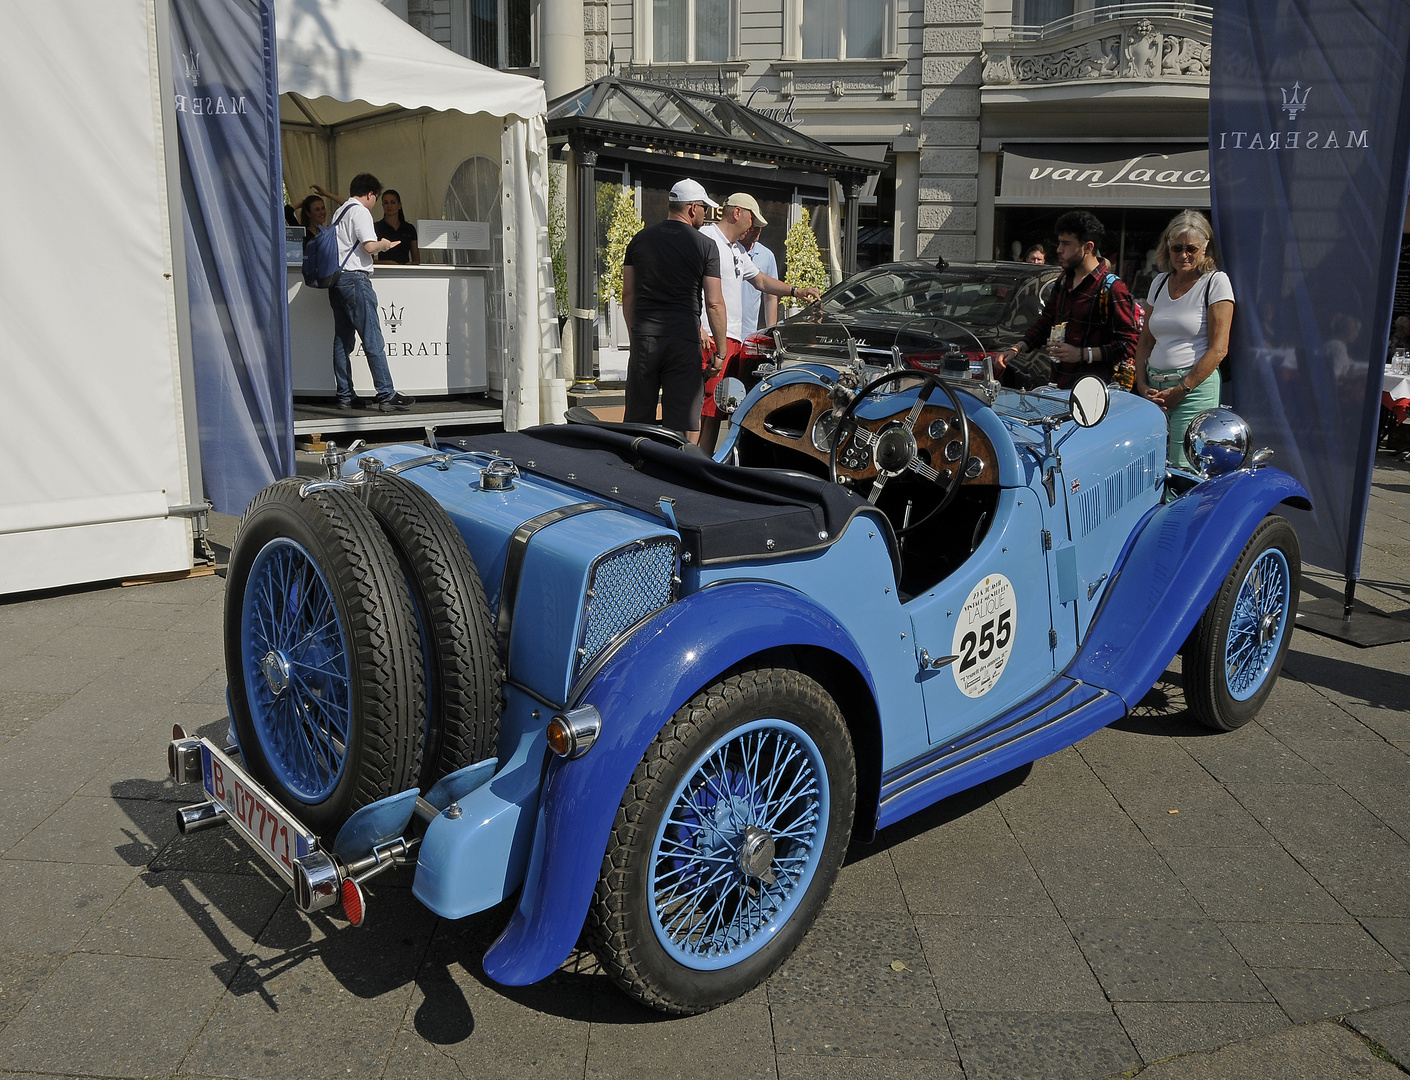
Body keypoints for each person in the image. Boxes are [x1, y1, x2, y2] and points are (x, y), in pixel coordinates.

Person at [698, 192, 821, 450]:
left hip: (731, 340)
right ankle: (687, 463)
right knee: (701, 409)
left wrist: (796, 291)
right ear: (737, 213)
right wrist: (698, 325)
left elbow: (761, 281)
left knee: (717, 409)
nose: (753, 229)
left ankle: (702, 463)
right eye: (752, 220)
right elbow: (691, 287)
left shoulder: (736, 250)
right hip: (710, 337)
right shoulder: (707, 239)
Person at [621, 178, 728, 442]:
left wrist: (636, 337)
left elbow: (629, 294)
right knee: (679, 424)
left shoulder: (640, 240)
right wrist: (721, 352)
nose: (706, 213)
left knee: (637, 419)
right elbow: (714, 303)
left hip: (646, 335)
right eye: (704, 207)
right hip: (683, 339)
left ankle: (633, 472)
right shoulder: (705, 246)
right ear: (692, 209)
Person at [1132, 210, 1234, 470]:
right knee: (1147, 466)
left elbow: (1219, 349)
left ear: (1205, 247)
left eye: (1191, 248)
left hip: (1193, 391)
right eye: (1177, 248)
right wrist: (1141, 383)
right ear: (1168, 247)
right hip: (1153, 388)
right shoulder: (1158, 282)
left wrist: (1181, 390)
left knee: (1182, 469)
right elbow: (1145, 341)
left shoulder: (1215, 282)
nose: (1184, 255)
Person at [997, 210, 1140, 389]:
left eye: (1066, 243)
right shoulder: (1064, 280)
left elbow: (1129, 344)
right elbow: (1046, 321)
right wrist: (1017, 348)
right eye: (1059, 242)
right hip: (1059, 384)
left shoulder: (1112, 287)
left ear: (1088, 247)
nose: (1059, 249)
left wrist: (1083, 354)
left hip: (1094, 392)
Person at [327, 173, 414, 412]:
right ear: (370, 194)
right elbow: (369, 246)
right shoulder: (360, 211)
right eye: (376, 197)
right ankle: (386, 393)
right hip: (356, 279)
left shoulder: (340, 211)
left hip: (337, 280)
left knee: (342, 340)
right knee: (372, 336)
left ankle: (345, 394)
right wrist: (384, 245)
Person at [740, 222, 779, 338]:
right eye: (753, 227)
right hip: (723, 330)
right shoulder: (729, 249)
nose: (757, 230)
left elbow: (771, 296)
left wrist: (770, 333)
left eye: (760, 227)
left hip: (748, 333)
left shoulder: (766, 255)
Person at [375, 189, 419, 265]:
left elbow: (416, 260)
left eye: (393, 202)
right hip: (383, 272)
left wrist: (409, 265)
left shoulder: (409, 228)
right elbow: (370, 260)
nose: (389, 206)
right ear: (382, 205)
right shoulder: (377, 227)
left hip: (405, 272)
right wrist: (389, 263)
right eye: (386, 203)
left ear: (399, 205)